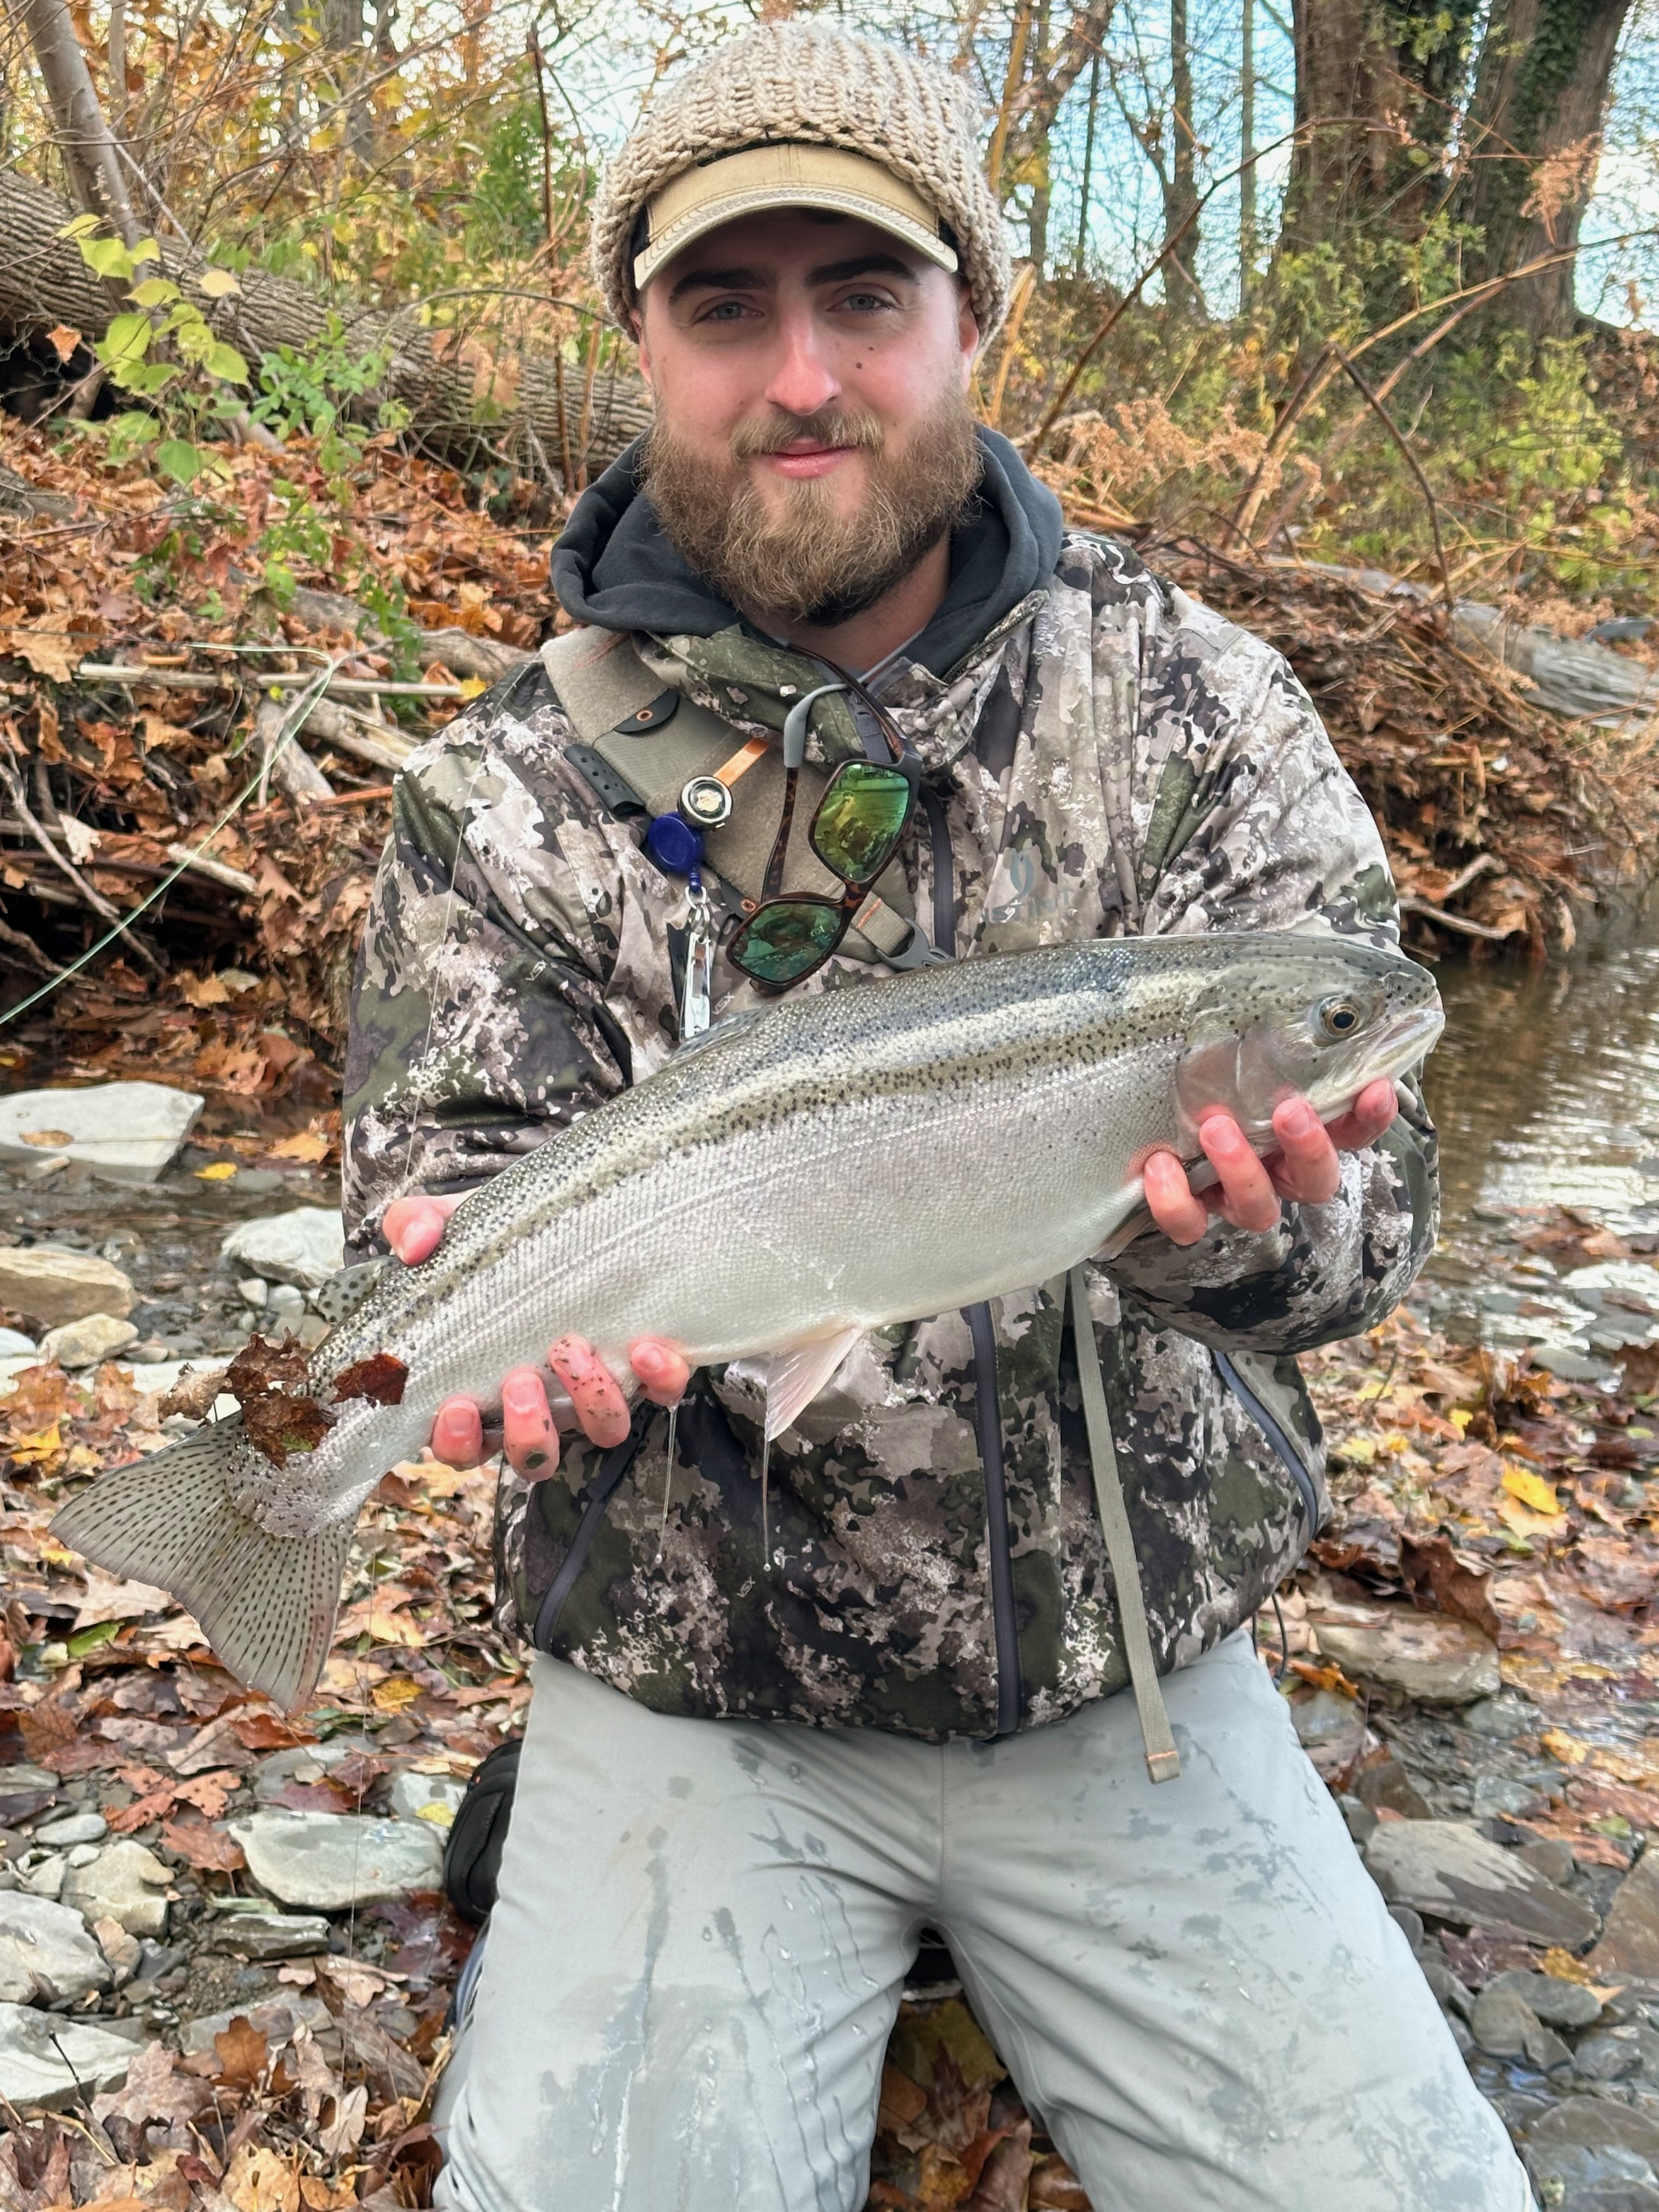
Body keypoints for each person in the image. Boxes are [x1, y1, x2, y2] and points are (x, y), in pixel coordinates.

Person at [341, 23, 1532, 2210]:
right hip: (689, 1686)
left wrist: (1234, 1227)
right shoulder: (500, 793)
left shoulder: (1195, 705)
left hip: (1123, 1675)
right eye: (729, 306)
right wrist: (501, 1371)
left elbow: (1384, 1232)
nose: (803, 376)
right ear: (643, 342)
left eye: (866, 297)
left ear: (972, 317)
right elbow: (432, 1205)